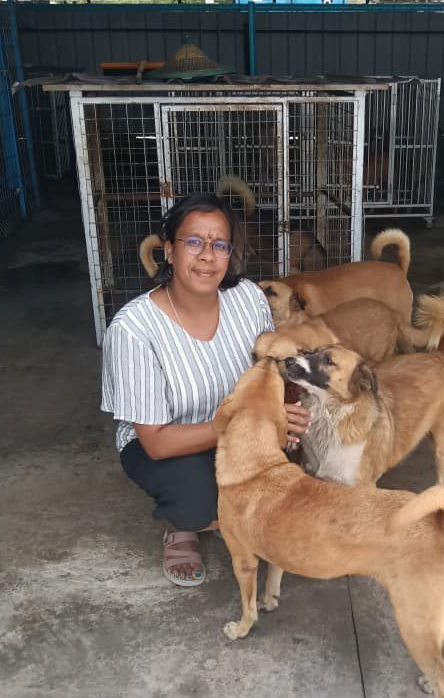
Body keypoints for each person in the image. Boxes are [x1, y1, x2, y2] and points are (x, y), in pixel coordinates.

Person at [101, 193, 311, 587]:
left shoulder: (247, 298)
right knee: (197, 496)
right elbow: (156, 443)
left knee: (288, 475)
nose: (207, 256)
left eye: (220, 244)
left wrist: (284, 411)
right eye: (194, 241)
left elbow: (271, 370)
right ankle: (183, 524)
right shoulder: (133, 330)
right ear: (169, 250)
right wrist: (251, 422)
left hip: (244, 427)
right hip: (169, 445)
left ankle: (236, 514)